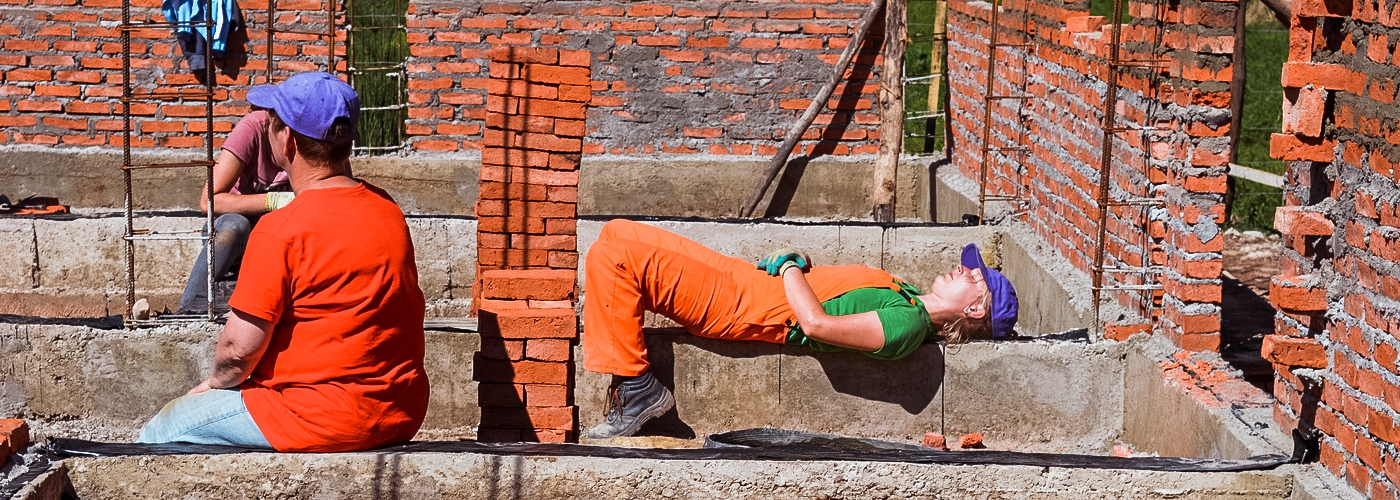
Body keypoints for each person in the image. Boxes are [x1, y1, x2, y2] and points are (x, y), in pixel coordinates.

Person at [138, 72, 430, 452]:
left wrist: (212, 386)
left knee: (162, 429)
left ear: (287, 140)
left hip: (322, 417)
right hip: (400, 412)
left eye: (272, 122)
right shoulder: (387, 209)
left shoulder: (281, 229)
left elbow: (238, 351)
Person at [580, 219, 1019, 439]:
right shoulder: (904, 293)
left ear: (977, 309)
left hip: (743, 305)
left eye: (974, 276)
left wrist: (790, 265)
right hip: (746, 279)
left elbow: (816, 323)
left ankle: (637, 388)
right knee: (616, 233)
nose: (963, 268)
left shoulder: (906, 324)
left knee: (613, 260)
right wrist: (799, 266)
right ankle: (632, 384)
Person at [175, 93, 298, 314]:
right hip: (236, 233)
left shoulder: (310, 136)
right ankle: (187, 311)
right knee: (234, 227)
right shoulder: (253, 127)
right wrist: (274, 200)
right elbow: (208, 201)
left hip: (277, 237)